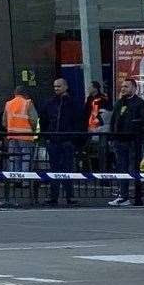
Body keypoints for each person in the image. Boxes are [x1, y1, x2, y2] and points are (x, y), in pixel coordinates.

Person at [40, 78, 86, 206]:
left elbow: (80, 122)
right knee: (54, 169)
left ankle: (69, 196)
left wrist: (74, 139)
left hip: (67, 141)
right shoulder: (50, 103)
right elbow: (44, 120)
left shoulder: (73, 103)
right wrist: (47, 135)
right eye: (54, 86)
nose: (56, 88)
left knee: (67, 169)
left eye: (59, 86)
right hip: (53, 141)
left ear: (66, 87)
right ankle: (53, 196)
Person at [108, 79, 144, 207]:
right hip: (120, 141)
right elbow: (113, 120)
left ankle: (138, 197)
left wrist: (134, 128)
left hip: (134, 142)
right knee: (122, 169)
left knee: (135, 169)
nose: (123, 88)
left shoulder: (140, 104)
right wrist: (112, 137)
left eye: (126, 86)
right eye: (122, 86)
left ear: (134, 88)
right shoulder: (119, 103)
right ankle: (123, 196)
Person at [3, 85, 39, 174]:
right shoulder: (27, 103)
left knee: (13, 158)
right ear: (26, 94)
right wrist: (34, 132)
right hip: (26, 136)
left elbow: (4, 122)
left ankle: (14, 180)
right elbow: (34, 120)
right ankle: (25, 181)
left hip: (12, 136)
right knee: (26, 158)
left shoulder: (8, 104)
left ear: (15, 93)